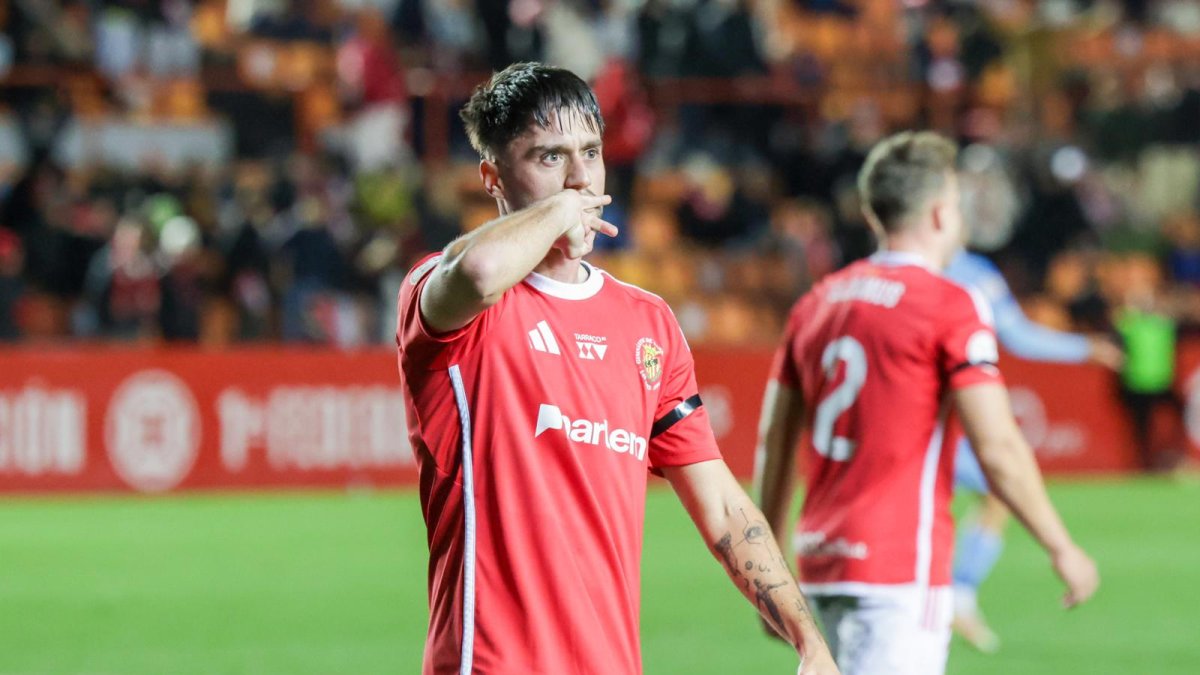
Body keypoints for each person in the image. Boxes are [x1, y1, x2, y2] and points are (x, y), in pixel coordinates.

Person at [395, 62, 838, 675]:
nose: (581, 179)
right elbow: (477, 271)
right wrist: (560, 212)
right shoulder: (450, 297)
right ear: (493, 177)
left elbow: (721, 506)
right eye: (550, 157)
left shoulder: (647, 324)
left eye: (591, 153)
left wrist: (808, 641)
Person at [754, 131, 1099, 675]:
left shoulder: (816, 303)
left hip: (820, 561)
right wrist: (1062, 546)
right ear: (941, 213)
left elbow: (774, 443)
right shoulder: (951, 305)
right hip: (897, 567)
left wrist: (766, 571)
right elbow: (998, 446)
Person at [942, 248, 1123, 652]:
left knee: (992, 495)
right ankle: (953, 597)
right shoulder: (970, 273)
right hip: (932, 427)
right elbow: (1019, 335)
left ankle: (956, 596)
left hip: (897, 426)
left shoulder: (873, 270)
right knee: (998, 483)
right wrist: (1084, 348)